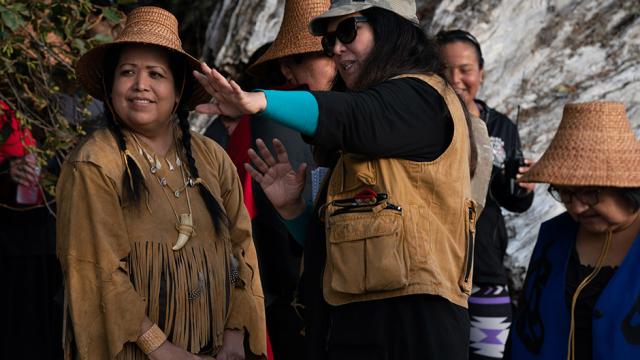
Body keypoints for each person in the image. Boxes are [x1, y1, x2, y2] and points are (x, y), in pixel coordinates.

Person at [194, 1, 477, 358]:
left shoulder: (424, 97)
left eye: (347, 32)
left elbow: (355, 116)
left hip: (412, 323)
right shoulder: (359, 132)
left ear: (391, 28)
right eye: (329, 43)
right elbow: (330, 249)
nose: (337, 49)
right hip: (350, 322)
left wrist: (259, 100)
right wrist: (294, 211)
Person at [57, 7, 265, 359]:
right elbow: (96, 272)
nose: (141, 85)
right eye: (127, 73)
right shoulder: (96, 163)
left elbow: (240, 250)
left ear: (178, 87)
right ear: (111, 87)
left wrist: (233, 335)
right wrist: (161, 348)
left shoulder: (211, 157)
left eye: (156, 74)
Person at [206, 1, 336, 359]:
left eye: (342, 45)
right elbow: (251, 234)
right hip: (289, 304)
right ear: (287, 69)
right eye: (324, 53)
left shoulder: (348, 119)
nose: (339, 58)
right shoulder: (272, 124)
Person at [508, 101, 640, 359]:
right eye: (566, 194)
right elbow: (525, 328)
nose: (577, 208)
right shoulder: (554, 237)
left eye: (590, 193)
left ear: (626, 186)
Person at [437, 29, 536, 359]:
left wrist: (523, 186)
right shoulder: (421, 121)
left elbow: (515, 202)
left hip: (486, 270)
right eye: (443, 69)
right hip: (434, 272)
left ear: (481, 71)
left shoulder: (502, 126)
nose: (455, 79)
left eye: (464, 69)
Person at [0, 100, 63, 359]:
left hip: (44, 234)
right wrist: (6, 172)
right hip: (8, 240)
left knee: (41, 328)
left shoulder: (51, 101)